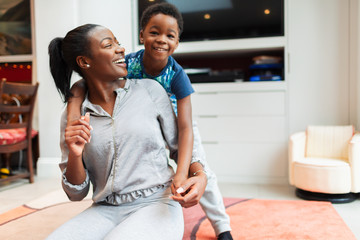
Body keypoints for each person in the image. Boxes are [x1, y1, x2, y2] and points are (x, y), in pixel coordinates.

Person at [66, 3, 233, 239]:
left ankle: (222, 227)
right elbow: (87, 82)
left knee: (203, 172)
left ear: (177, 42)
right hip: (140, 122)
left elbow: (185, 128)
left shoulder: (177, 75)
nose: (161, 40)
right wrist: (73, 109)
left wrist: (182, 173)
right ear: (141, 35)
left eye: (170, 35)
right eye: (154, 32)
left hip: (179, 124)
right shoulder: (128, 63)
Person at [47, 23, 207, 240]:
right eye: (108, 45)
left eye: (118, 43)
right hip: (104, 208)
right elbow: (76, 194)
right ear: (85, 61)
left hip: (156, 201)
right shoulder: (73, 117)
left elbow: (180, 148)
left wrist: (199, 175)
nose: (121, 49)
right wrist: (75, 154)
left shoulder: (150, 91)